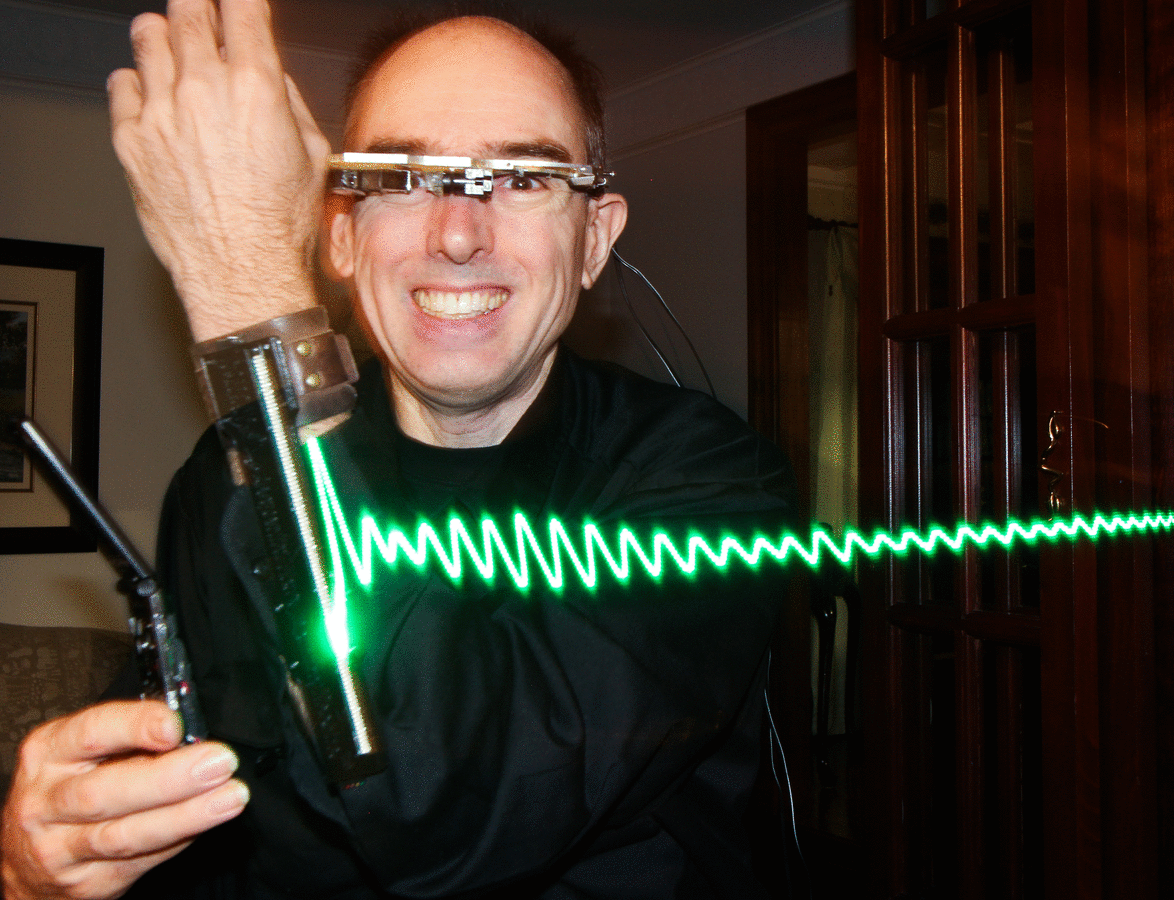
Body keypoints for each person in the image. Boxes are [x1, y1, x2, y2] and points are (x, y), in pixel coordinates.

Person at [0, 0, 797, 897]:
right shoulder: (227, 477)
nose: (457, 235)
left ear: (594, 241)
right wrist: (42, 867)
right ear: (342, 237)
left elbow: (437, 802)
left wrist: (247, 291)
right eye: (402, 177)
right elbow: (177, 819)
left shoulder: (710, 486)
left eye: (523, 177)